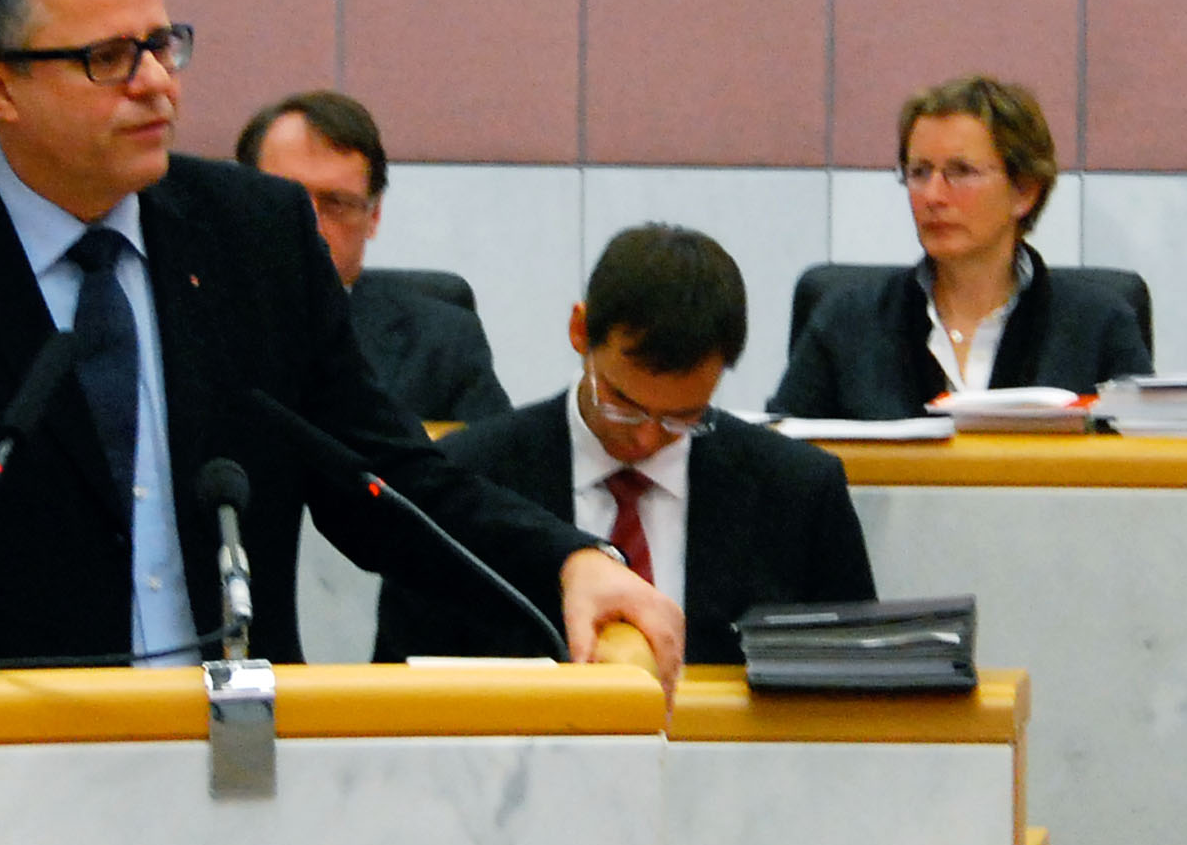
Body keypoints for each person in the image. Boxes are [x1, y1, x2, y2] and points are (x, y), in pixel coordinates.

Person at [0, 0, 684, 791]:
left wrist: (568, 560)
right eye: (109, 57)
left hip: (239, 774)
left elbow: (385, 479)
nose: (157, 83)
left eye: (163, 44)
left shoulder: (255, 237)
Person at [376, 225, 877, 667]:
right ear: (580, 331)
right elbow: (403, 691)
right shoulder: (467, 476)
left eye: (682, 417)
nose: (646, 437)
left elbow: (854, 694)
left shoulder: (799, 493)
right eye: (623, 404)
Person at [768, 74, 1150, 419]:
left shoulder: (1098, 325)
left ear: (1024, 191)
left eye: (961, 172)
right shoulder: (848, 322)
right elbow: (779, 457)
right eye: (919, 172)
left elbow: (1146, 460)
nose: (933, 195)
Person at [234, 88, 508, 424]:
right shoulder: (188, 320)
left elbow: (493, 455)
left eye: (337, 204)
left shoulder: (442, 345)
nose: (311, 225)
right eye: (287, 199)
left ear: (374, 216)